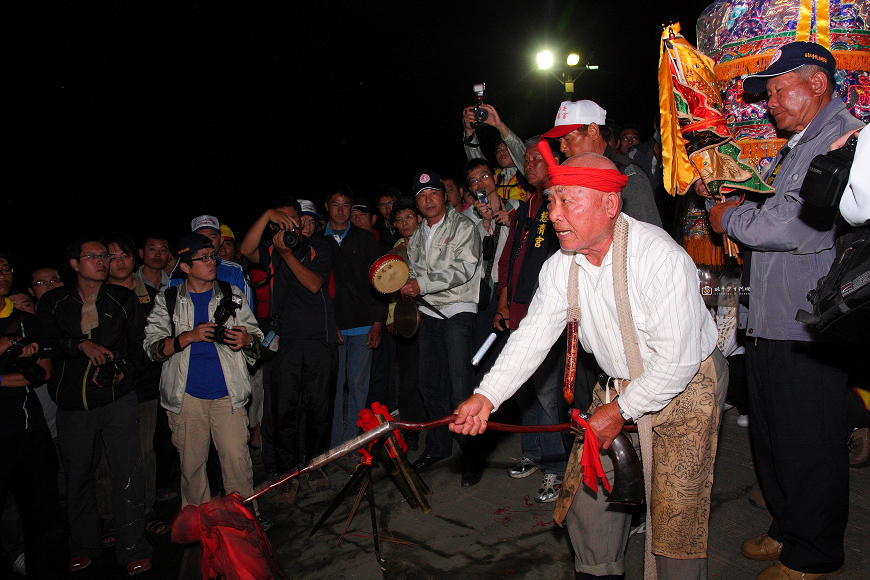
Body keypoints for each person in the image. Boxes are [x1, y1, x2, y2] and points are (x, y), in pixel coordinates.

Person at [451, 152, 726, 579]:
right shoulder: (562, 266)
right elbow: (531, 336)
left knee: (676, 518)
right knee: (587, 502)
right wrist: (488, 395)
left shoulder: (658, 257)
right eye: (552, 200)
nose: (554, 215)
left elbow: (677, 361)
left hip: (687, 385)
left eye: (568, 201)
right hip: (619, 386)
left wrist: (618, 412)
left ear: (610, 206)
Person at [706, 41, 863, 579]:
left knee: (810, 442)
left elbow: (793, 227)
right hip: (773, 317)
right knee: (772, 435)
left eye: (777, 89)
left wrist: (729, 219)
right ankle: (788, 528)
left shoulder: (843, 139)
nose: (768, 101)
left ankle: (814, 555)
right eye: (767, 92)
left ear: (816, 82)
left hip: (808, 322)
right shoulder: (799, 143)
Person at [35, 237, 153, 574]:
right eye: (92, 256)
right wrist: (79, 344)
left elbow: (137, 348)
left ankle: (133, 549)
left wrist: (123, 372)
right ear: (74, 264)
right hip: (73, 405)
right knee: (78, 478)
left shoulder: (123, 298)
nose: (101, 261)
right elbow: (45, 345)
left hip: (116, 400)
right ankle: (84, 544)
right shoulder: (55, 302)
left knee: (128, 472)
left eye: (104, 256)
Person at [144, 234, 267, 524]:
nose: (213, 262)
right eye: (205, 258)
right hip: (186, 399)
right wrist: (188, 337)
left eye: (213, 256)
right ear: (186, 267)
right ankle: (199, 531)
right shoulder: (169, 299)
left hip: (229, 395)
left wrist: (247, 339)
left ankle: (246, 526)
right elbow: (152, 349)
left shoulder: (232, 293)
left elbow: (258, 341)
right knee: (192, 470)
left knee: (238, 466)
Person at [240, 198, 337, 505]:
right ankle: (286, 473)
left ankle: (316, 467)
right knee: (284, 410)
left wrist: (287, 254)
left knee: (319, 408)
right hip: (286, 341)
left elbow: (312, 284)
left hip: (319, 339)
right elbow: (244, 251)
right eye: (286, 219)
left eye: (300, 219)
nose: (295, 225)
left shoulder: (320, 246)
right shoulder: (270, 248)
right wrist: (268, 213)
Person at [401, 170, 484, 487]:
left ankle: (473, 456)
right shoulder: (419, 234)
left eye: (433, 193)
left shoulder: (463, 226)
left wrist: (419, 284)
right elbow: (411, 272)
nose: (428, 200)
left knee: (461, 388)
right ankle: (438, 448)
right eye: (421, 196)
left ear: (444, 196)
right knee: (429, 386)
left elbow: (463, 269)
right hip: (429, 314)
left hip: (457, 310)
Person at [495, 137, 567, 502]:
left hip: (548, 310)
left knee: (548, 393)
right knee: (525, 389)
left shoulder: (560, 202)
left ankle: (556, 466)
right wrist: (503, 304)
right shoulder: (524, 209)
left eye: (537, 158)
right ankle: (535, 453)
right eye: (526, 159)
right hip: (519, 308)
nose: (529, 164)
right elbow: (508, 261)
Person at [0, 255, 67, 579]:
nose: (1, 274)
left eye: (5, 268)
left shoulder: (28, 321)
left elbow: (40, 373)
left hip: (29, 429)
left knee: (45, 517)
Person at [324, 185, 386, 446]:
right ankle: (333, 443)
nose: (340, 210)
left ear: (351, 209)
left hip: (363, 324)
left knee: (359, 386)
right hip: (332, 327)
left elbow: (380, 283)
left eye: (345, 205)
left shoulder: (365, 239)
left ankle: (353, 443)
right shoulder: (318, 241)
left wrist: (378, 322)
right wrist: (328, 325)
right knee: (333, 388)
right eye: (335, 204)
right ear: (326, 206)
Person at [542, 99, 662, 227]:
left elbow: (647, 234)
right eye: (560, 142)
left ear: (593, 131)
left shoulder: (628, 174)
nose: (562, 148)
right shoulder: (572, 177)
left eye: (567, 139)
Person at [462, 104, 527, 201]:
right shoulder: (494, 175)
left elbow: (519, 149)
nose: (502, 153)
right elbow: (476, 163)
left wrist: (499, 125)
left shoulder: (527, 172)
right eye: (498, 150)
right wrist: (469, 132)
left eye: (505, 149)